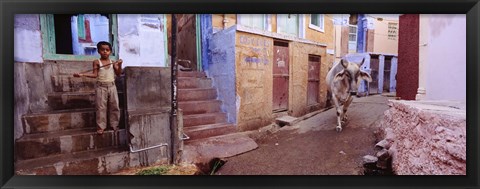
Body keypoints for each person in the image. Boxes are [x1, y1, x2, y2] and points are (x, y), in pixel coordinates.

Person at [74, 41, 123, 135]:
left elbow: (118, 74)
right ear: (99, 51)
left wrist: (120, 64)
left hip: (112, 87)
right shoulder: (97, 62)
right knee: (101, 107)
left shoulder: (113, 62)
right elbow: (94, 75)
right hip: (101, 87)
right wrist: (82, 74)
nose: (105, 51)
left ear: (110, 52)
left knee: (114, 106)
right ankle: (101, 127)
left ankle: (114, 125)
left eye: (107, 50)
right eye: (102, 50)